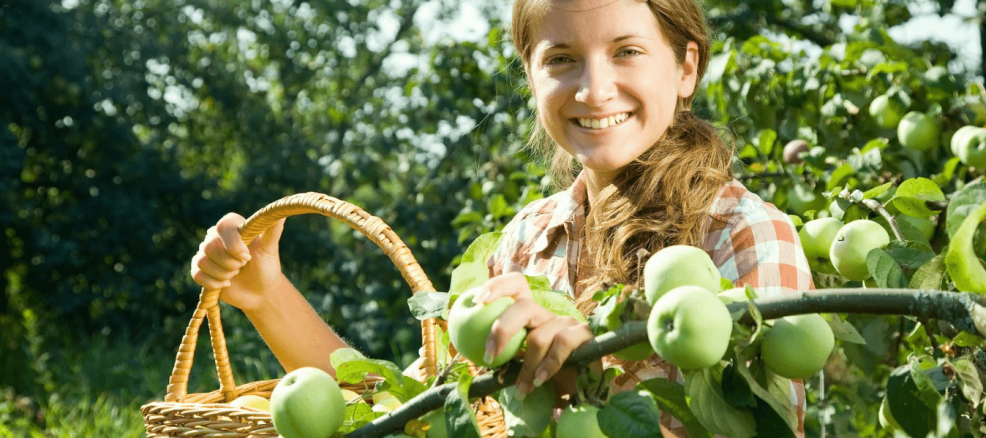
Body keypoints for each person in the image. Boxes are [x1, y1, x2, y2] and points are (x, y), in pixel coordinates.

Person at [191, 0, 814, 436]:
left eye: (626, 51)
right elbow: (411, 412)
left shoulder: (741, 233)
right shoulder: (526, 241)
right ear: (531, 74)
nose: (593, 89)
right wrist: (266, 294)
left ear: (686, 67)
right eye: (561, 58)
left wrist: (583, 383)